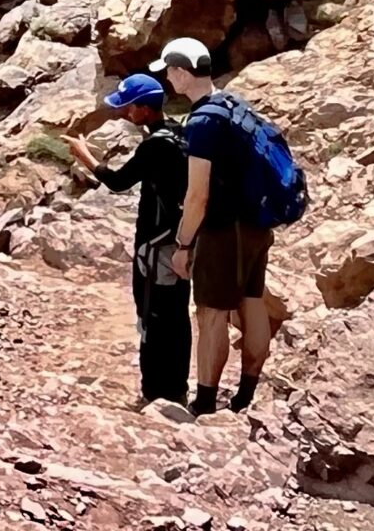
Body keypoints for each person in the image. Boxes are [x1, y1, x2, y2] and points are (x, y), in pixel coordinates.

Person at [155, 36, 272, 415]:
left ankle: (205, 402)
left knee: (211, 313)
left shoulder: (203, 122)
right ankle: (245, 396)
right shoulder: (234, 104)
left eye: (170, 72)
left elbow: (197, 196)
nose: (168, 80)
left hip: (224, 229)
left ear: (181, 72)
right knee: (252, 303)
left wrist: (183, 244)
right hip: (257, 223)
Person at [70, 72, 191, 407]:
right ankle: (177, 388)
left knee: (151, 314)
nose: (124, 113)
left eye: (128, 107)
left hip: (154, 246)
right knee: (178, 313)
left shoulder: (155, 146)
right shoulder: (180, 133)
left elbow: (119, 181)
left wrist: (86, 156)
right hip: (182, 241)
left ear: (144, 109)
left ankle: (155, 393)